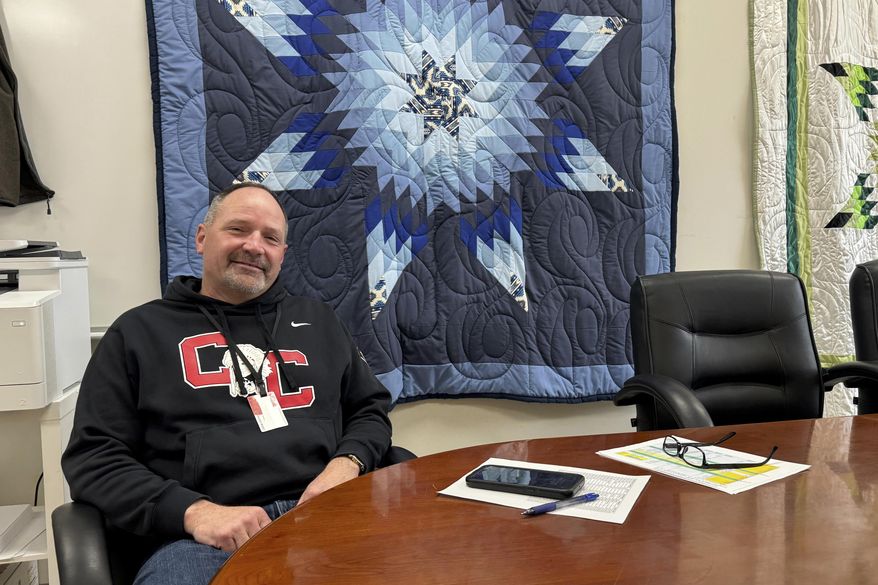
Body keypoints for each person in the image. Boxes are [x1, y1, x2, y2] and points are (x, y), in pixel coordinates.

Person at [61, 182, 393, 585]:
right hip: (202, 540)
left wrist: (348, 464)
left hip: (327, 515)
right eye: (238, 229)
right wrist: (194, 512)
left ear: (282, 254)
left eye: (270, 238)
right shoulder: (137, 333)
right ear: (202, 238)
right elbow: (94, 458)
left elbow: (370, 410)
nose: (254, 246)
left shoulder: (320, 320)